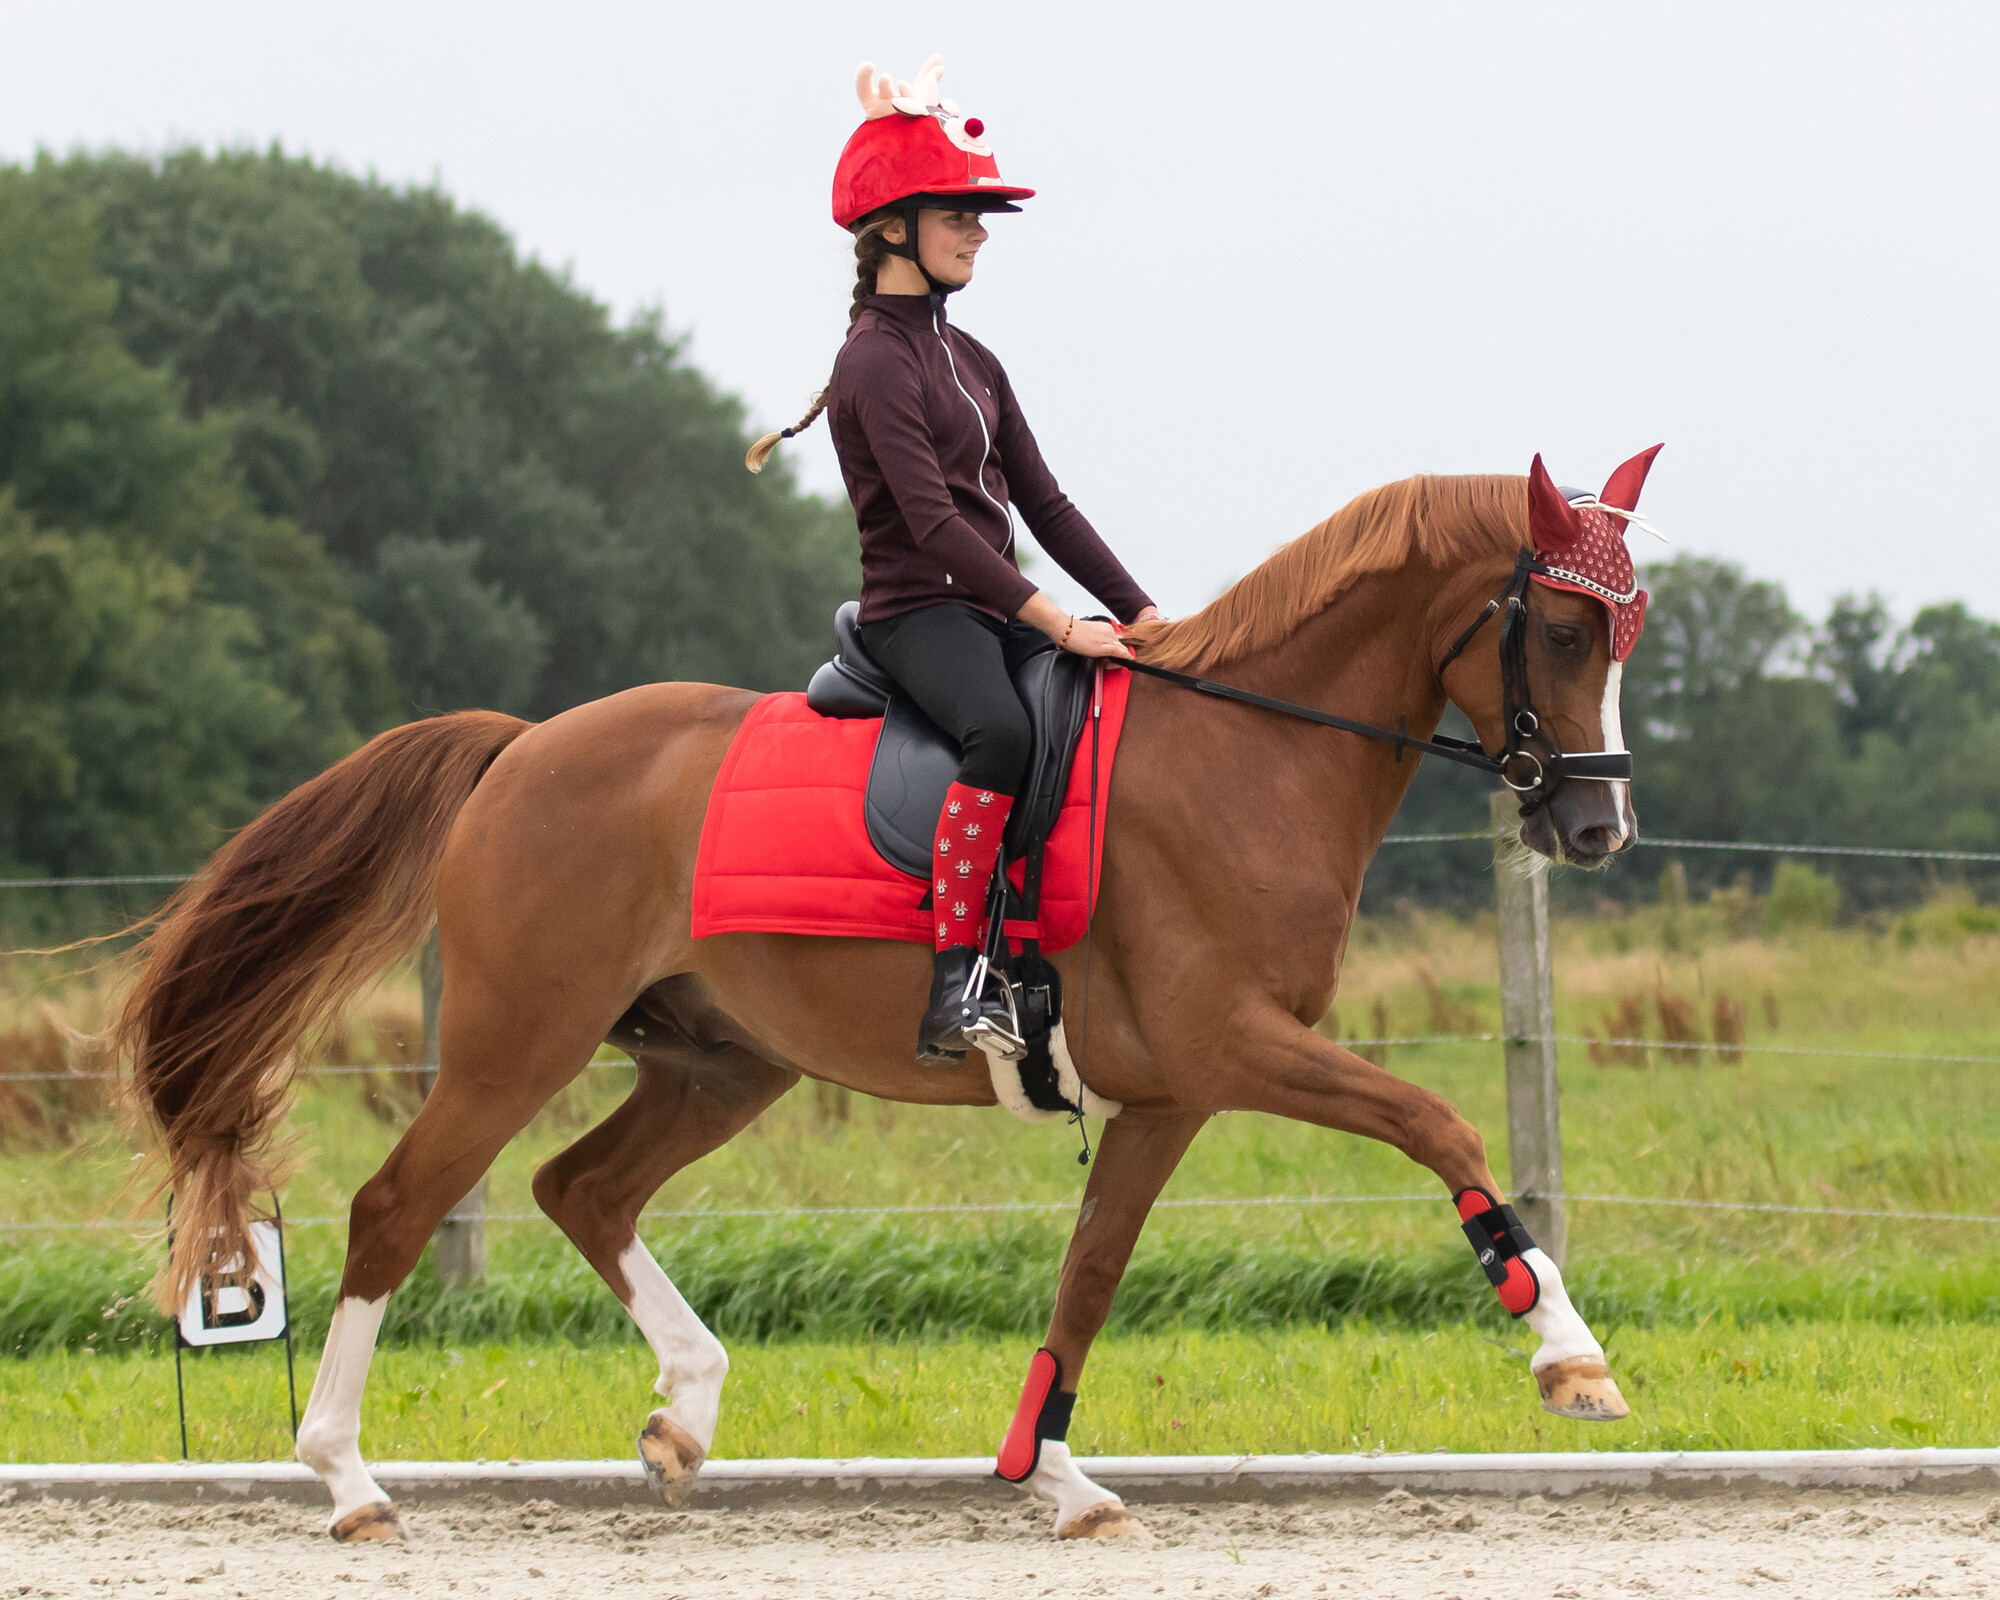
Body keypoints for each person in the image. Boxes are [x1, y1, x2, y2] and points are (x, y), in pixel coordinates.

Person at [747, 56, 1158, 1065]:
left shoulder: (973, 358)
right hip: (916, 613)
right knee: (1003, 734)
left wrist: (1142, 613)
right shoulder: (872, 361)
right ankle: (954, 980)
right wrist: (1059, 623)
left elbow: (1046, 506)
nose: (978, 232)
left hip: (985, 606)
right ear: (892, 226)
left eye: (979, 218)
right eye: (960, 215)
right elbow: (933, 530)